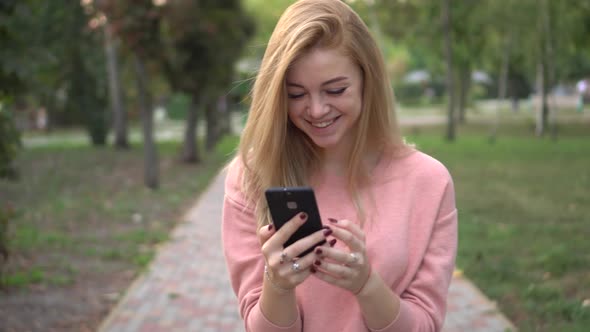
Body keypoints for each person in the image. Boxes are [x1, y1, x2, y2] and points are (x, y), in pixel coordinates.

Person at [221, 1, 457, 331]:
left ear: (367, 80)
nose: (316, 110)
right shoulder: (250, 178)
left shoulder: (428, 182)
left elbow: (425, 324)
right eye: (296, 94)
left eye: (335, 90)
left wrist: (367, 285)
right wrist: (278, 285)